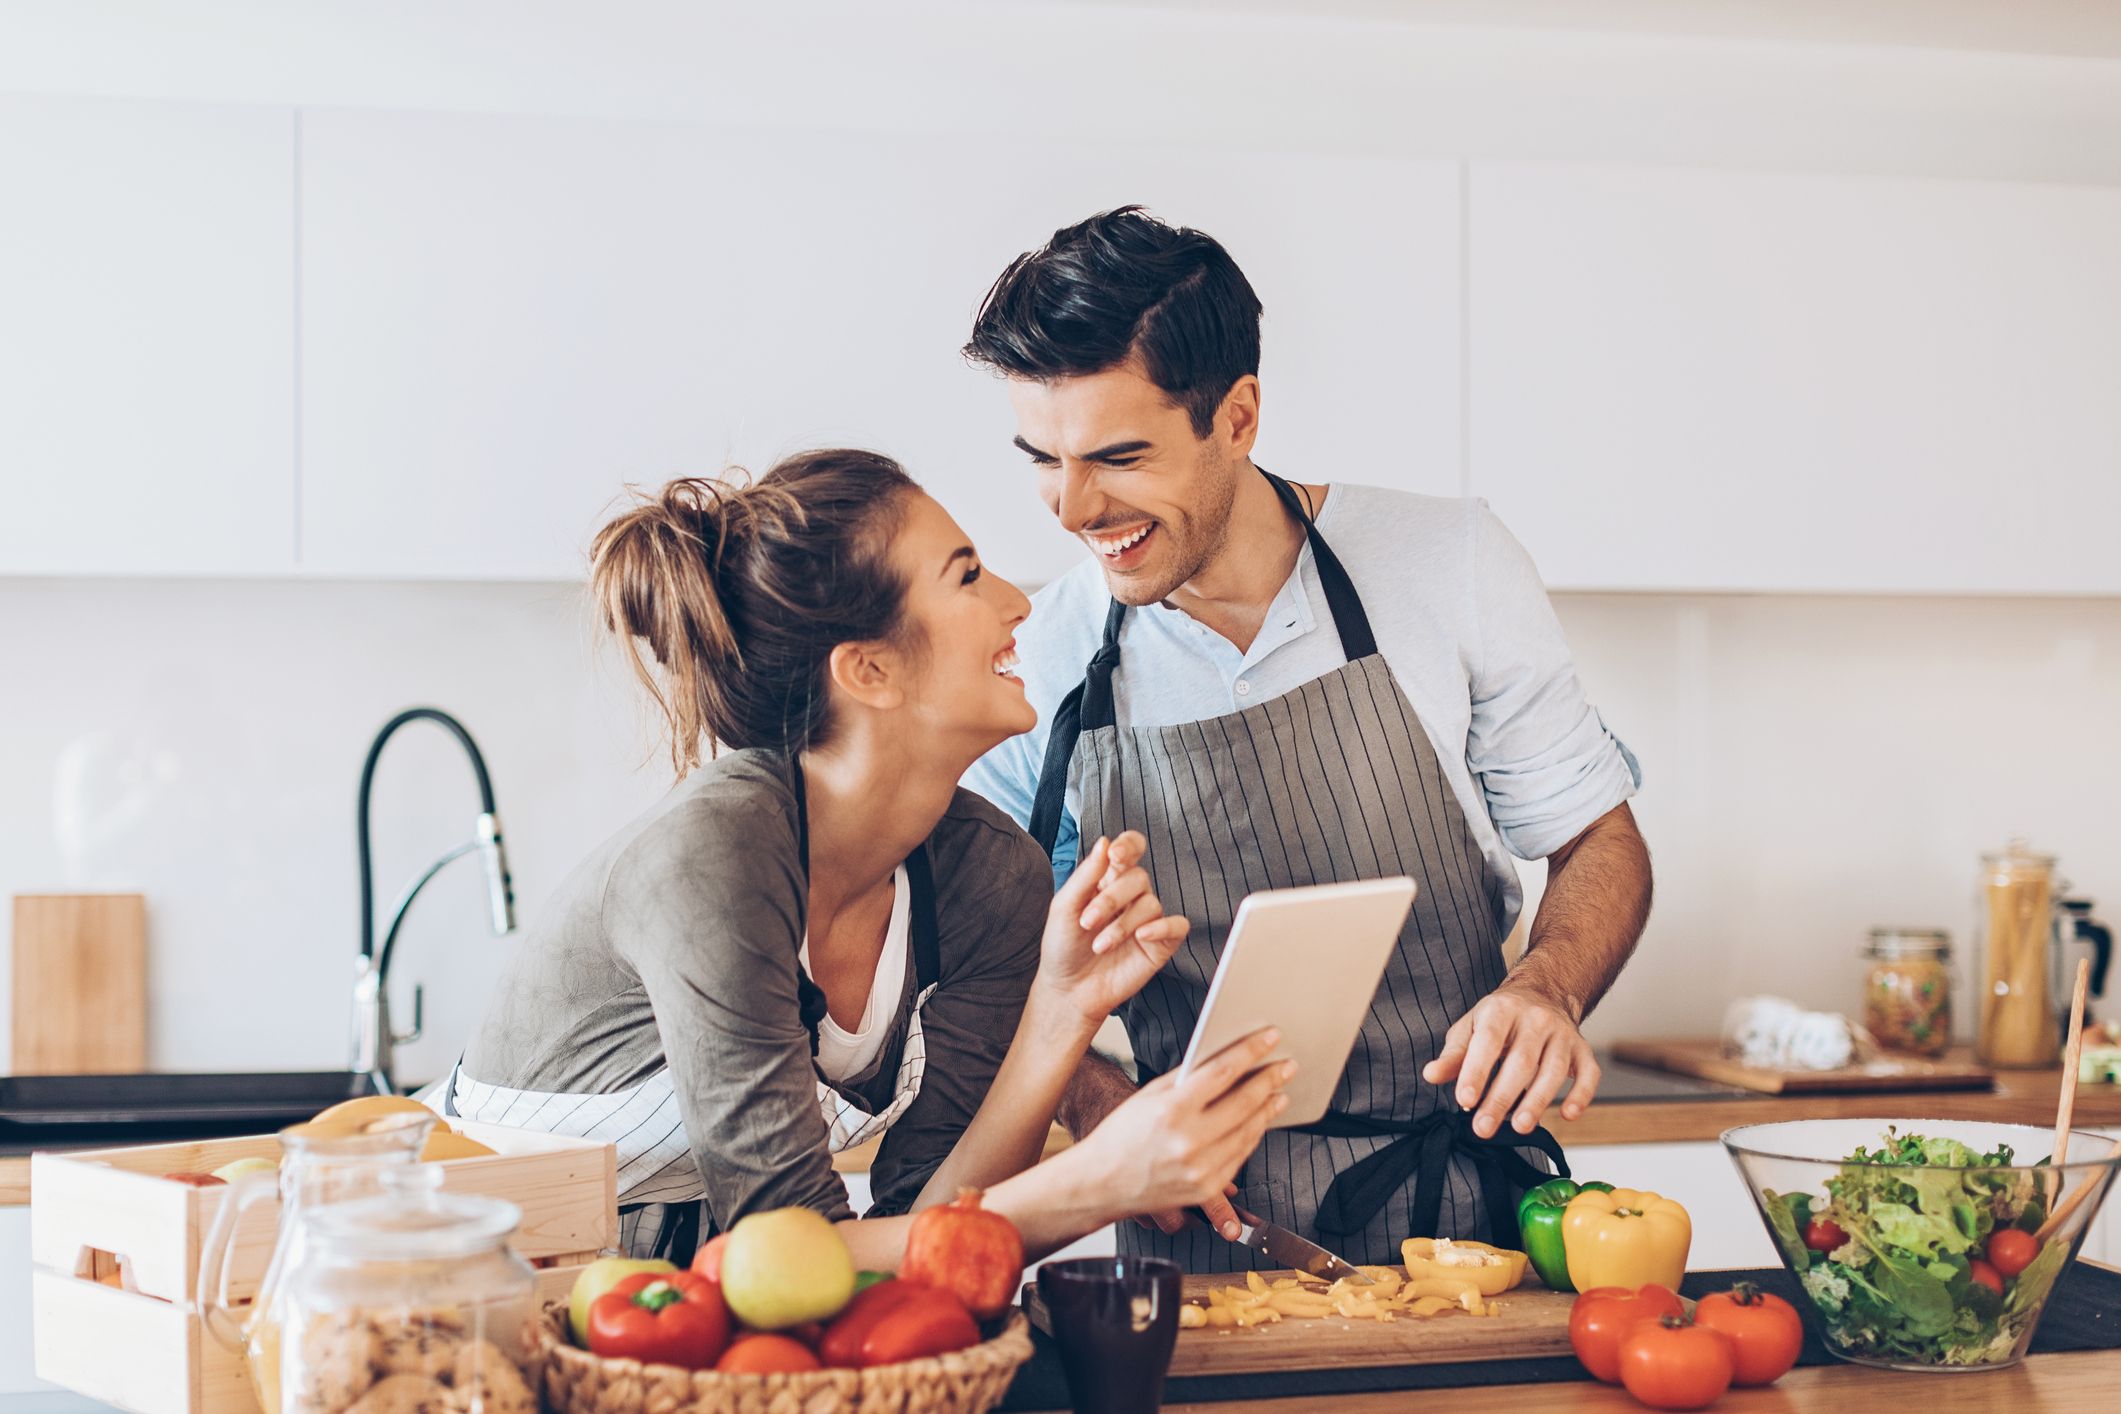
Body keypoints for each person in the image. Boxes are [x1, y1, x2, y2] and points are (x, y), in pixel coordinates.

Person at [961, 208, 1654, 1270]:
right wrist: (1097, 1101)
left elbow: (1596, 839)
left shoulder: (1445, 561)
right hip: (1191, 1238)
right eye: (1041, 460)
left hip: (1466, 1219)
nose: (1071, 507)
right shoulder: (1046, 649)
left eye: (1118, 455)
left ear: (1237, 417)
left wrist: (1545, 986)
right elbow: (977, 944)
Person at [451, 449, 1292, 1267]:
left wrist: (1061, 1010)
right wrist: (1098, 1182)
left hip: (712, 1304)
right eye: (966, 576)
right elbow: (792, 1253)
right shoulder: (713, 858)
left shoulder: (992, 873)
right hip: (479, 1280)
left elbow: (928, 1232)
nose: (1016, 604)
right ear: (869, 670)